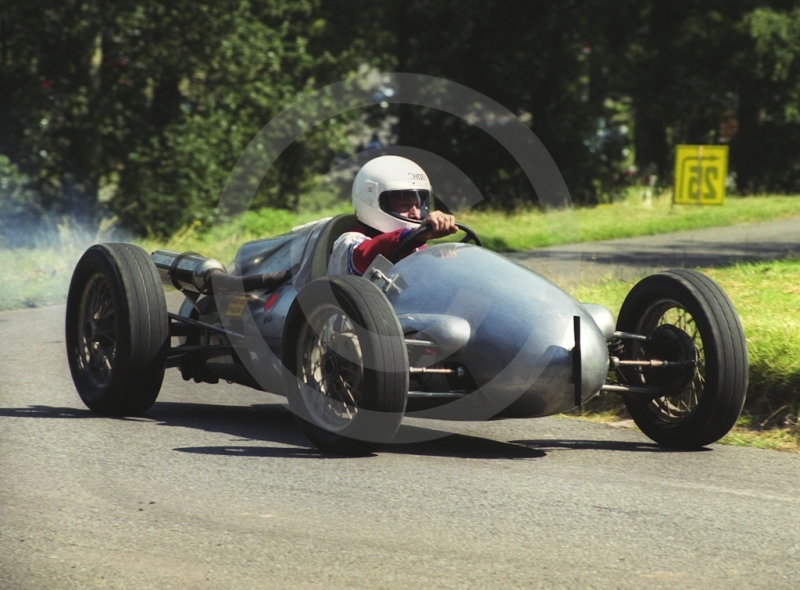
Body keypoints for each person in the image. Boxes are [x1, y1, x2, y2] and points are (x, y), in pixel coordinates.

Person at [328, 155, 457, 276]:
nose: (416, 214)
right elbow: (372, 252)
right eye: (405, 205)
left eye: (418, 206)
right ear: (371, 201)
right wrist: (414, 236)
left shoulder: (416, 245)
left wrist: (441, 258)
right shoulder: (348, 243)